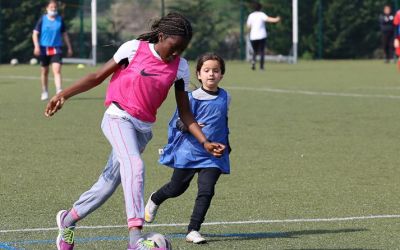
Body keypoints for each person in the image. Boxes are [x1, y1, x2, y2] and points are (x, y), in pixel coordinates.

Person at [44, 13, 226, 250]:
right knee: (135, 165)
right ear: (161, 36)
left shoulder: (180, 67)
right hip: (117, 117)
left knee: (107, 185)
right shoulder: (133, 50)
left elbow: (185, 112)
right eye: (173, 47)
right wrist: (63, 94)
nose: (176, 53)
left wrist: (204, 142)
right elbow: (97, 77)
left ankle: (66, 221)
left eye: (181, 49)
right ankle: (135, 239)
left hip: (141, 130)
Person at [144, 53, 231, 244]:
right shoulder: (192, 98)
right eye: (206, 70)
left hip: (213, 155)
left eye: (215, 71)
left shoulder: (225, 96)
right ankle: (156, 198)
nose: (211, 74)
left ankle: (193, 230)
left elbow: (223, 122)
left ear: (221, 75)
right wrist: (190, 126)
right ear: (198, 74)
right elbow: (177, 122)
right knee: (177, 188)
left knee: (206, 190)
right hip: (189, 152)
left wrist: (227, 146)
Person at [32, 0, 73, 101]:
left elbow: (64, 34)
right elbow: (35, 33)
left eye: (55, 7)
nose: (53, 9)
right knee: (45, 71)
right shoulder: (42, 19)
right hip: (43, 49)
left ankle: (59, 91)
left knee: (57, 70)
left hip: (56, 48)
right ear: (47, 8)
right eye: (51, 7)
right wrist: (36, 46)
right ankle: (44, 91)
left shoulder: (60, 20)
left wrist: (69, 47)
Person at [246, 1, 280, 71]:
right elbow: (269, 19)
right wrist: (276, 19)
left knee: (255, 51)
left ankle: (253, 62)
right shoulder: (261, 14)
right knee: (261, 51)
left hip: (253, 36)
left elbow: (248, 26)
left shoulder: (251, 15)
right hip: (262, 35)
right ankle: (261, 67)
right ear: (260, 8)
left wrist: (249, 32)